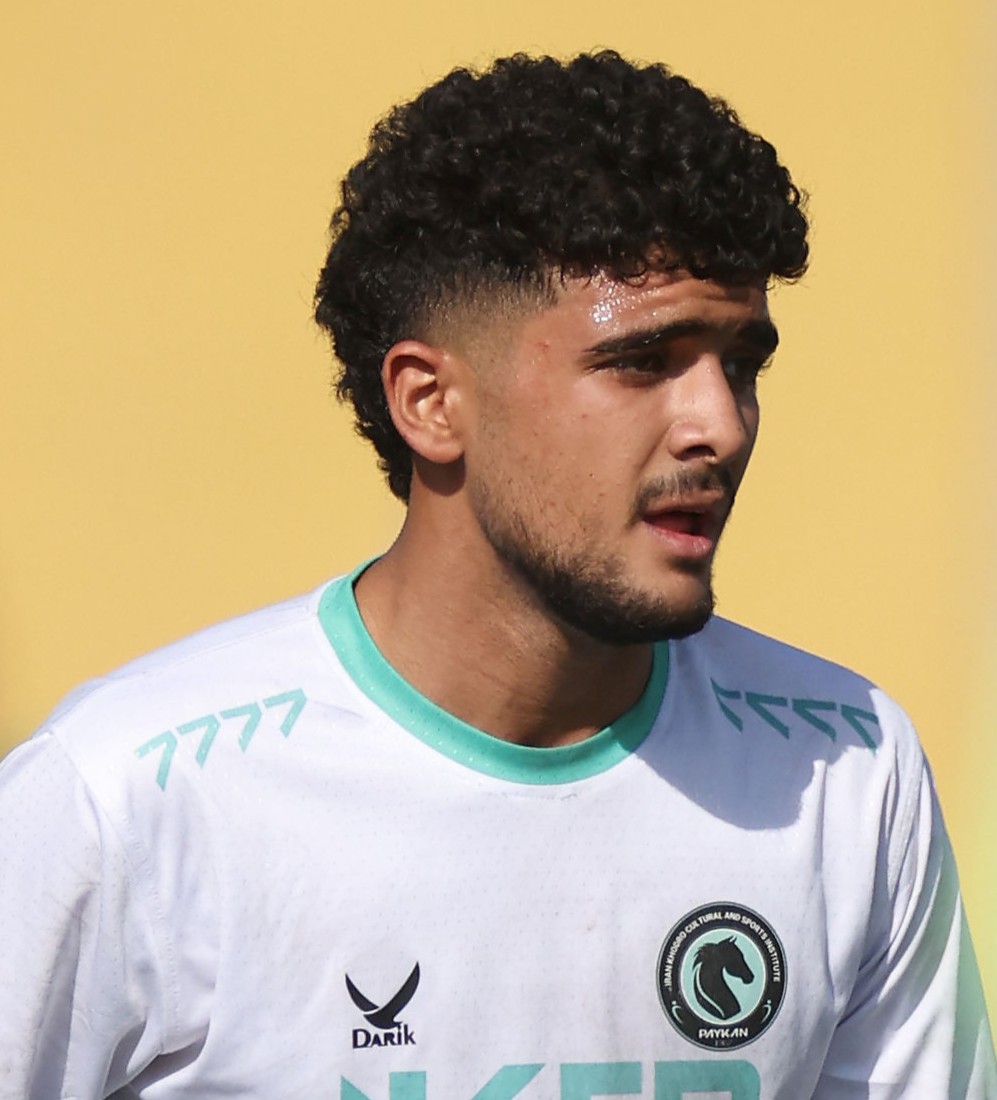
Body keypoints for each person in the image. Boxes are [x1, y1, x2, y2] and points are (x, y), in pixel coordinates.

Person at [0, 50, 992, 1100]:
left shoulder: (847, 768)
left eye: (739, 365)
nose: (719, 424)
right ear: (431, 402)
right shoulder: (126, 800)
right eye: (641, 361)